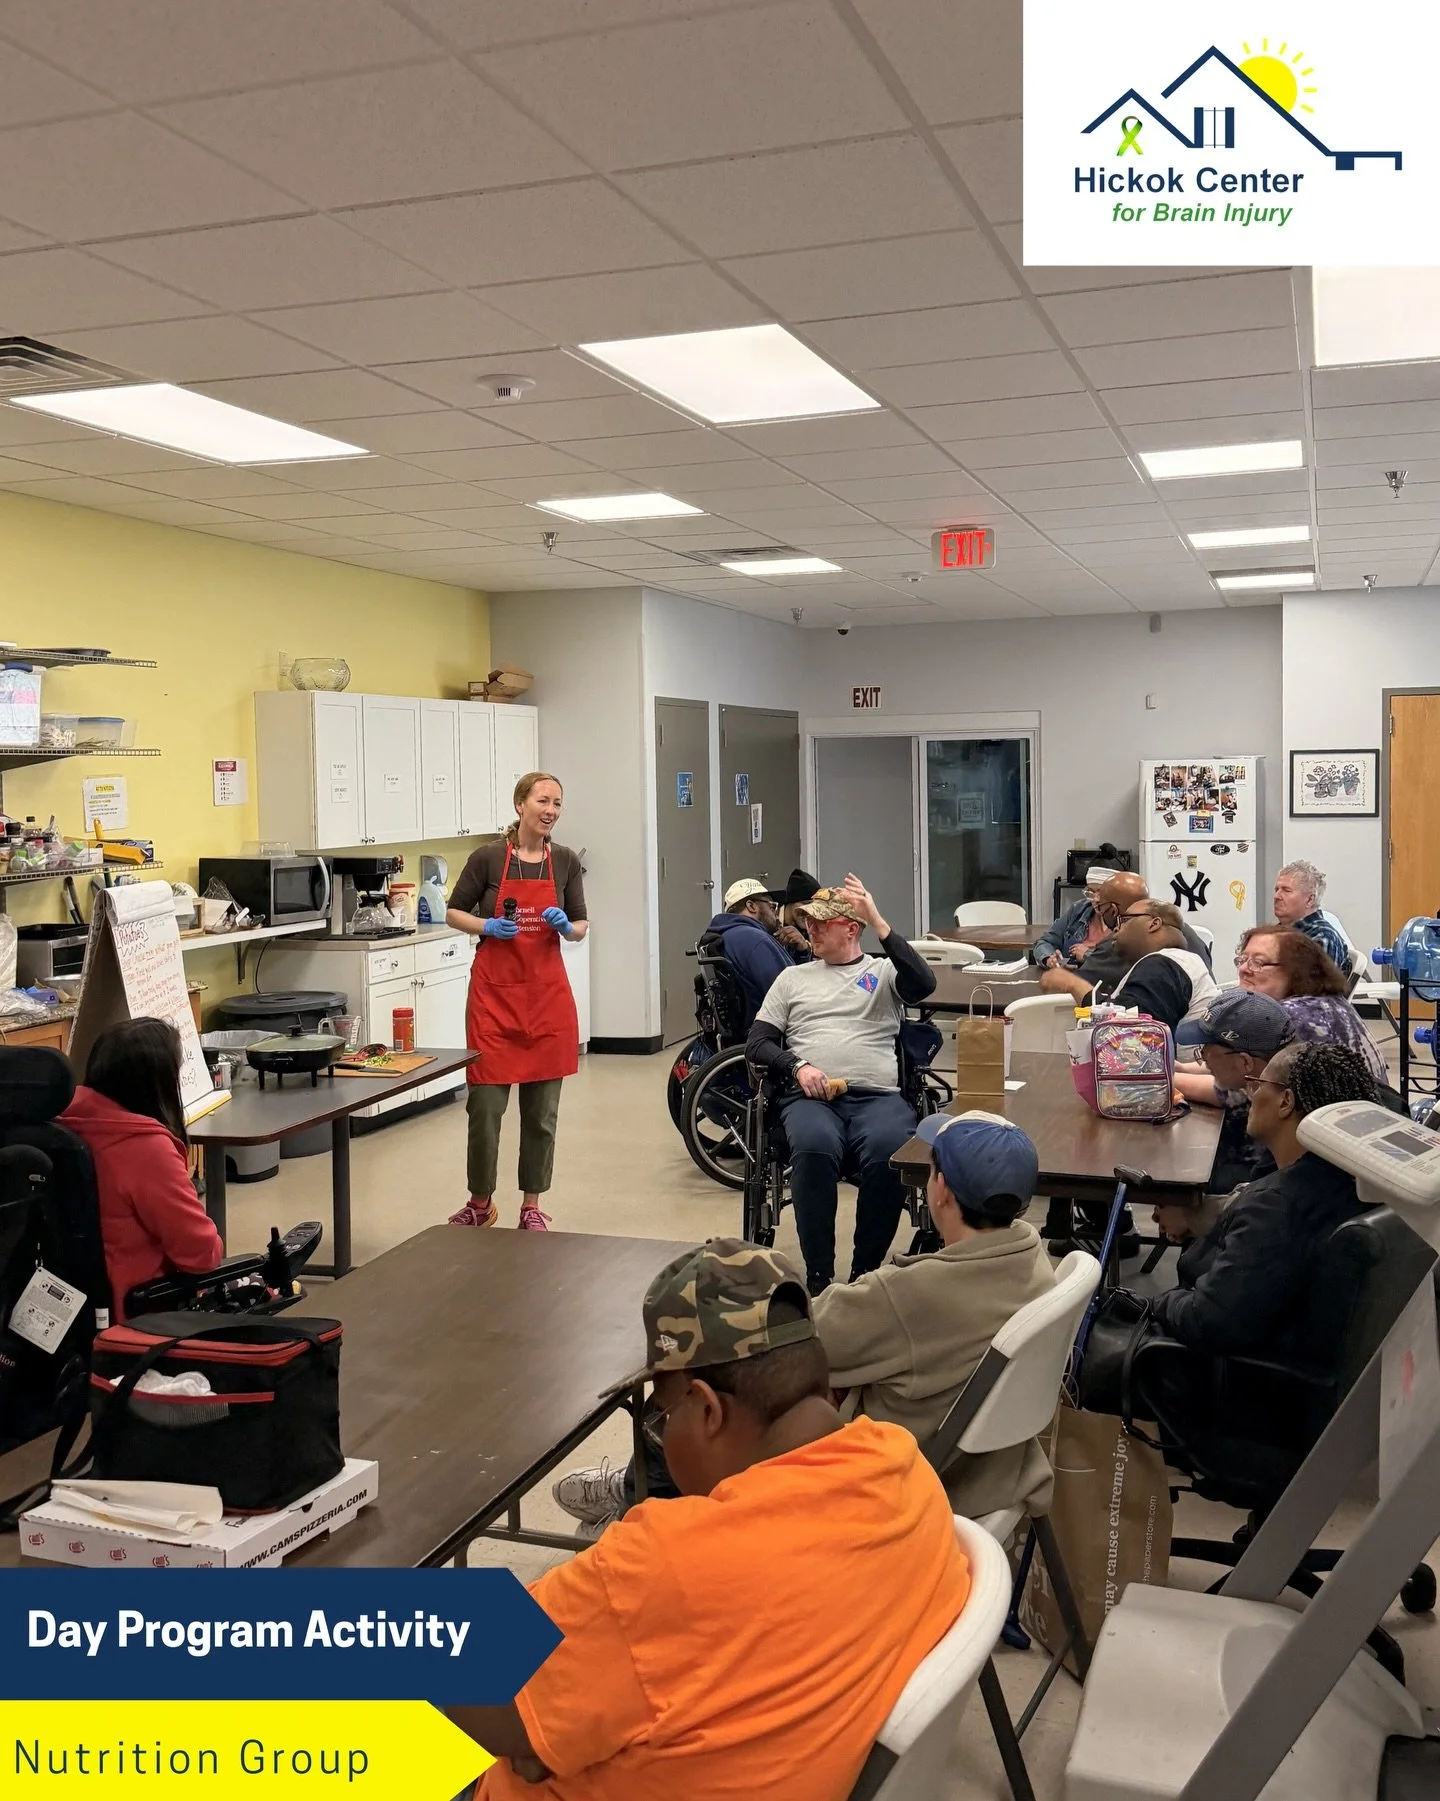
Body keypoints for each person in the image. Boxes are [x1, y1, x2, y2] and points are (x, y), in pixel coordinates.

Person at [455, 1239, 972, 1801]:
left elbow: (462, 1674)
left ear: (707, 1409)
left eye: (662, 1417)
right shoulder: (903, 1469)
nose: (662, 1434)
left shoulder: (668, 1565)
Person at [813, 1111, 1057, 1516]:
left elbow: (804, 1336)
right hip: (999, 1468)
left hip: (909, 1479)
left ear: (940, 1189)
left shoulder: (909, 1295)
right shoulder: (1031, 1256)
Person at [747, 876, 937, 1294]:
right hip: (810, 1096)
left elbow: (924, 986)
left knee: (890, 1151)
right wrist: (796, 1066)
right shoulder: (793, 979)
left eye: (821, 923)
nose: (810, 928)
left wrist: (880, 923)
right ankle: (819, 1277)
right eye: (808, 922)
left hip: (878, 1096)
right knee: (813, 1147)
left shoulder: (883, 972)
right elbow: (757, 1044)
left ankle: (864, 1275)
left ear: (851, 929)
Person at [1149, 1042, 1377, 1362]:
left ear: (1286, 1101)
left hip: (1234, 1378)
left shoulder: (1275, 1208)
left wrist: (1153, 1303)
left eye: (1258, 1085)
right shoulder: (1352, 1181)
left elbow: (1210, 1320)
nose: (1251, 1094)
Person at [446, 771, 588, 1231]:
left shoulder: (564, 861)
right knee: (484, 1109)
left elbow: (583, 924)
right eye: (543, 801)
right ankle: (480, 1203)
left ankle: (531, 1205)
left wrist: (566, 926)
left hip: (546, 1001)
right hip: (494, 1001)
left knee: (541, 1115)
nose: (551, 811)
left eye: (558, 804)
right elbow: (453, 911)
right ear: (520, 805)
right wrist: (486, 927)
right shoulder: (488, 858)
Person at [60, 1018, 224, 1322]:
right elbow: (199, 1254)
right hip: (138, 1310)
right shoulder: (146, 1149)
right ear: (158, 1083)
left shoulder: (59, 1125)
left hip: (68, 1307)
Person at [1172, 990, 1295, 1203]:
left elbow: (1268, 1195)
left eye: (1206, 1051)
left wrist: (1195, 1216)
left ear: (1245, 1062)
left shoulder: (1278, 1112)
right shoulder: (1274, 1071)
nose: (1202, 1058)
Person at [1233, 924, 1386, 1083]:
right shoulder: (1324, 1002)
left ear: (1295, 971)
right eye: (1243, 959)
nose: (1243, 969)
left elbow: (1237, 1089)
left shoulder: (1291, 1017)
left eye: (1258, 962)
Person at [1038, 871, 1213, 1004]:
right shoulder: (1189, 935)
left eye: (1102, 905)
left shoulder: (1127, 942)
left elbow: (1105, 1006)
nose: (1118, 931)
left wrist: (1068, 981)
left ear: (1155, 924)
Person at [700, 876, 805, 1025]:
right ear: (751, 906)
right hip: (770, 1029)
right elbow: (793, 993)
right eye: (772, 906)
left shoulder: (728, 935)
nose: (776, 914)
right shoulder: (754, 939)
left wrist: (801, 952)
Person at [1102, 899, 1220, 1030]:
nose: (1116, 928)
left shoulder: (1159, 967)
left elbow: (1128, 1037)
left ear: (1154, 924)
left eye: (1124, 920)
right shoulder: (1178, 962)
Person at [1030, 858, 1125, 968]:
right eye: (1091, 892)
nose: (1095, 899)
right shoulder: (1078, 910)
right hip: (1069, 981)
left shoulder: (1128, 921)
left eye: (1101, 892)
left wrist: (1088, 955)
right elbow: (1044, 942)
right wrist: (1049, 958)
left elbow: (1125, 964)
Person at [1272, 860, 1351, 971]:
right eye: (1276, 889)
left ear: (1309, 900)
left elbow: (1309, 986)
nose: (1276, 896)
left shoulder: (1322, 937)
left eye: (1286, 890)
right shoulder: (1278, 933)